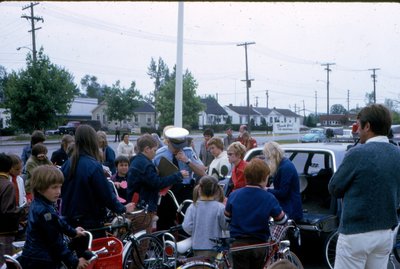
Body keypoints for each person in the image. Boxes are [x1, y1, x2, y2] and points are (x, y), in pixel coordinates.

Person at [328, 104, 400, 269]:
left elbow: (334, 188)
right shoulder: (397, 153)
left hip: (356, 233)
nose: (357, 130)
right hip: (385, 232)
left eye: (358, 125)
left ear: (367, 126)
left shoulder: (357, 153)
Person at [61, 125, 134, 238]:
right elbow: (105, 194)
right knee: (96, 253)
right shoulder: (93, 166)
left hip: (70, 219)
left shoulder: (67, 164)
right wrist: (122, 208)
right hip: (90, 220)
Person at [19, 165, 90, 269]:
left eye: (60, 186)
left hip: (33, 256)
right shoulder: (45, 211)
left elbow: (57, 221)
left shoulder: (40, 203)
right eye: (54, 187)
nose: (59, 191)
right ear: (39, 188)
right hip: (43, 261)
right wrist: (74, 262)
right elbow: (55, 241)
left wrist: (73, 232)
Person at [224, 158, 287, 269]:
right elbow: (281, 220)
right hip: (259, 244)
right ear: (264, 178)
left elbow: (227, 218)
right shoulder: (268, 198)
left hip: (238, 244)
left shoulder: (234, 195)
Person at [127, 134, 188, 232]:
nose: (155, 153)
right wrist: (178, 176)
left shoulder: (137, 161)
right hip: (143, 207)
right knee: (143, 240)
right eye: (154, 150)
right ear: (147, 149)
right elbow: (157, 183)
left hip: (136, 203)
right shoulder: (146, 164)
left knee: (137, 236)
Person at [153, 127, 206, 230]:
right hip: (167, 191)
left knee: (187, 221)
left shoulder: (188, 152)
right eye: (175, 146)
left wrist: (187, 161)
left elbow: (202, 172)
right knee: (164, 223)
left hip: (185, 190)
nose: (178, 149)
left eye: (181, 146)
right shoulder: (159, 154)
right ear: (168, 142)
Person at [182, 176, 228, 258]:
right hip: (216, 247)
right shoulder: (220, 207)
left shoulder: (193, 207)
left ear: (199, 189)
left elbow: (186, 226)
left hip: (197, 245)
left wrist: (197, 231)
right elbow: (225, 226)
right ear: (216, 191)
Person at [263, 141, 303, 222]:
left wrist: (267, 190)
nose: (267, 160)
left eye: (267, 157)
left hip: (290, 209)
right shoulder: (282, 164)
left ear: (271, 155)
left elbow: (283, 193)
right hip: (286, 206)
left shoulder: (286, 167)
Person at [0, 153, 22, 266]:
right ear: (9, 168)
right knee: (5, 262)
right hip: (5, 230)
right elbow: (7, 211)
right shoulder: (7, 185)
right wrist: (22, 210)